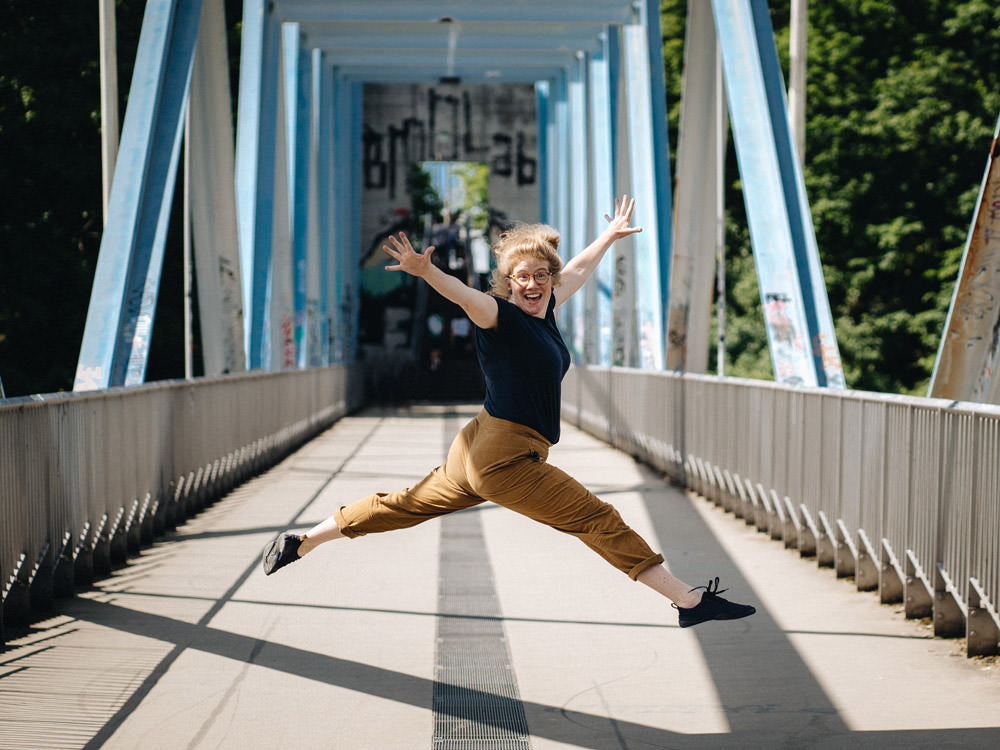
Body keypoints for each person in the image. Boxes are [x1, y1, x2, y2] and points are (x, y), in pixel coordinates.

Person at [263, 195, 756, 628]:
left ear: (549, 279)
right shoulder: (500, 316)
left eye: (541, 276)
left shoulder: (547, 311)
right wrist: (427, 271)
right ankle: (689, 600)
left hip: (478, 444)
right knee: (594, 517)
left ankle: (301, 541)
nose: (533, 284)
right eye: (522, 278)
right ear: (509, 283)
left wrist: (607, 236)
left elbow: (578, 271)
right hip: (502, 457)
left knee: (405, 505)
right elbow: (465, 296)